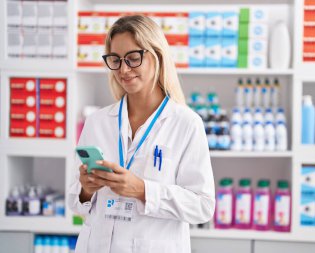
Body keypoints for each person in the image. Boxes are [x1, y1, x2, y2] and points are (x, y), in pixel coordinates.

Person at [68, 15, 215, 253]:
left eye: (133, 59)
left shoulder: (187, 124)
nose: (124, 69)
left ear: (156, 56)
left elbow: (202, 206)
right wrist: (86, 189)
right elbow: (76, 201)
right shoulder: (97, 122)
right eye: (115, 60)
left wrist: (142, 190)